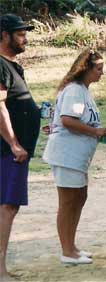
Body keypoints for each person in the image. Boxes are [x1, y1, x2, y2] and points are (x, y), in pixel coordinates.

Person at [42, 49, 106, 264]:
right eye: (99, 68)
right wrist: (96, 132)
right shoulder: (74, 91)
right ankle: (67, 251)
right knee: (68, 202)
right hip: (66, 154)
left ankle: (71, 245)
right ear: (86, 69)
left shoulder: (83, 90)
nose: (102, 73)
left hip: (77, 157)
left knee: (79, 198)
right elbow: (68, 120)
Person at [0, 14, 40, 281]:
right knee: (7, 206)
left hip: (13, 150)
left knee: (7, 205)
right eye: (20, 33)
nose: (25, 38)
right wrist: (14, 143)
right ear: (4, 34)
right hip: (7, 151)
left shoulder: (13, 65)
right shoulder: (1, 65)